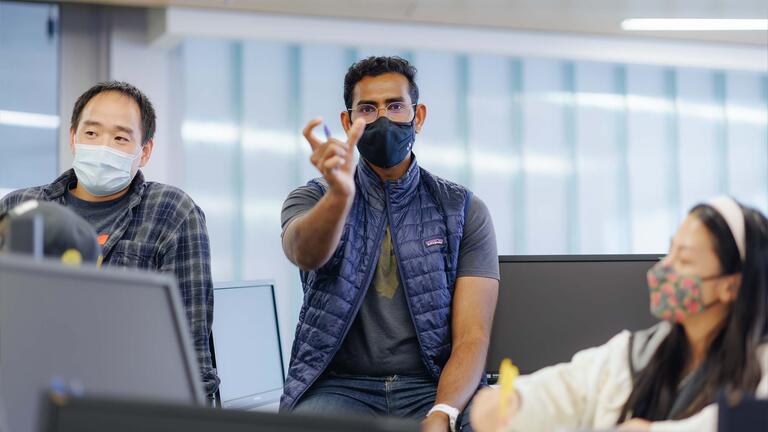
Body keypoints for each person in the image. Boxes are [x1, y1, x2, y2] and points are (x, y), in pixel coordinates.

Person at [280, 56, 500, 432]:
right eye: (368, 108)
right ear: (348, 122)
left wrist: (443, 412)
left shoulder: (462, 210)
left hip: (430, 385)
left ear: (418, 116)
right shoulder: (315, 197)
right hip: (340, 388)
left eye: (395, 106)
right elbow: (305, 252)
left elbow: (472, 337)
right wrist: (340, 194)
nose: (383, 118)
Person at [471, 196, 768, 432]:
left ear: (730, 286)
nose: (664, 268)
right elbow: (570, 388)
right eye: (670, 251)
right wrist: (515, 402)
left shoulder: (760, 367)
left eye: (685, 259)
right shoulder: (639, 354)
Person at [0, 81, 219, 398]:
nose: (103, 146)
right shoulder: (18, 209)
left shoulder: (171, 212)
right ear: (73, 138)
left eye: (120, 137)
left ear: (144, 152)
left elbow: (192, 355)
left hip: (123, 400)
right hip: (21, 390)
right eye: (91, 133)